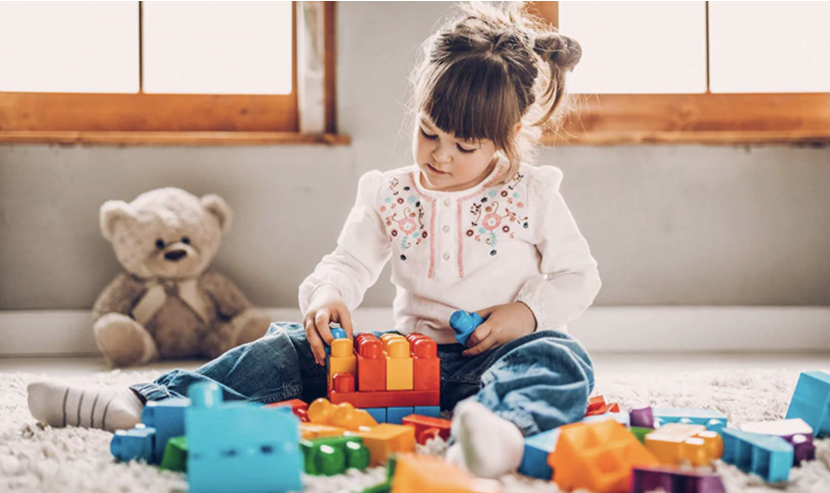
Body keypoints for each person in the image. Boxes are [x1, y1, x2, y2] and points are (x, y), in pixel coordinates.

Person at [28, 1, 599, 479]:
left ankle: (496, 429)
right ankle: (141, 400)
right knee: (287, 345)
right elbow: (348, 261)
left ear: (506, 137)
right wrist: (329, 296)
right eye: (429, 132)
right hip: (405, 363)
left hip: (497, 358)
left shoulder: (533, 192)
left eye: (465, 146)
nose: (441, 155)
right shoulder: (389, 193)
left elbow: (579, 276)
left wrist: (527, 313)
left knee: (561, 356)